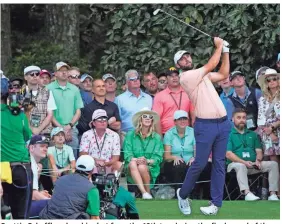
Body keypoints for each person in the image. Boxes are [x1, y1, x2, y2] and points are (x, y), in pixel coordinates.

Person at [174, 37, 230, 215]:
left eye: (188, 57)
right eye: (182, 59)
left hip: (223, 123)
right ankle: (182, 194)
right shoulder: (186, 77)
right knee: (199, 163)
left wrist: (226, 52)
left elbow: (223, 75)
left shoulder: (202, 74)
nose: (186, 59)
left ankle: (215, 204)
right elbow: (212, 64)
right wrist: (219, 46)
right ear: (178, 66)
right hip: (205, 125)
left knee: (220, 163)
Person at [226, 108, 279, 201]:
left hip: (253, 165)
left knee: (273, 164)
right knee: (240, 165)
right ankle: (247, 193)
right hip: (234, 165)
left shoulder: (253, 134)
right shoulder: (228, 134)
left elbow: (259, 151)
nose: (242, 120)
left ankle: (273, 194)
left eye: (244, 117)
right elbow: (229, 154)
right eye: (238, 117)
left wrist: (258, 160)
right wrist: (244, 162)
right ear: (233, 119)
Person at [1, 77, 33, 219]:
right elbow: (27, 136)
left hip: (3, 168)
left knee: (4, 213)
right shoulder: (20, 114)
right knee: (21, 214)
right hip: (20, 167)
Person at [39, 155, 100, 219]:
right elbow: (95, 218)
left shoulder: (60, 179)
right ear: (92, 170)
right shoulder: (92, 189)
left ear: (76, 167)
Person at [163, 110, 211, 191]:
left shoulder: (193, 132)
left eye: (185, 119)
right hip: (173, 164)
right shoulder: (169, 134)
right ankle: (179, 192)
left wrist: (194, 158)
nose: (183, 121)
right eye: (180, 119)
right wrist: (174, 157)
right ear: (175, 122)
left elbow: (197, 151)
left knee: (194, 165)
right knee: (179, 165)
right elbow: (167, 156)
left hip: (189, 161)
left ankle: (193, 193)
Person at [123, 108, 164, 199]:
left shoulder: (157, 137)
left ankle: (146, 193)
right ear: (140, 119)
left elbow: (158, 158)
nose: (148, 118)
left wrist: (147, 161)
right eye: (145, 116)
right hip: (132, 165)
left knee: (142, 166)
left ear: (152, 120)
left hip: (150, 166)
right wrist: (137, 160)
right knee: (134, 163)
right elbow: (127, 155)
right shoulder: (130, 135)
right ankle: (145, 192)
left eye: (150, 117)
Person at [47, 61, 84, 159]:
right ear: (55, 73)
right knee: (55, 159)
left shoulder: (74, 89)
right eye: (60, 70)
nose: (64, 73)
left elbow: (78, 111)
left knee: (72, 159)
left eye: (66, 70)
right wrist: (61, 129)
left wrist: (69, 126)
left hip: (71, 129)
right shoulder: (48, 88)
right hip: (54, 129)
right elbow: (49, 112)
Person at [153, 67, 195, 135]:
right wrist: (160, 139)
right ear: (166, 79)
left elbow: (193, 116)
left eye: (176, 75)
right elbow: (156, 119)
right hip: (167, 134)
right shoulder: (159, 96)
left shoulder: (188, 93)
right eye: (171, 76)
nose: (174, 78)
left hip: (186, 133)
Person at [79, 109, 122, 174]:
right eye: (99, 119)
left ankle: (112, 183)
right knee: (85, 164)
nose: (103, 122)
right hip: (91, 165)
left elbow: (116, 157)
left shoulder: (114, 135)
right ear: (93, 123)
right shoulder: (86, 135)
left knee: (119, 165)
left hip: (108, 165)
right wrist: (95, 161)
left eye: (105, 119)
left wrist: (106, 163)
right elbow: (82, 154)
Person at [115, 70, 153, 137]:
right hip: (126, 136)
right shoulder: (119, 99)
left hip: (147, 136)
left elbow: (153, 118)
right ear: (127, 82)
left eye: (137, 78)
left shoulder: (148, 98)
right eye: (132, 79)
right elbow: (117, 122)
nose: (136, 81)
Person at [23, 65, 57, 136]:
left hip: (45, 131)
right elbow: (21, 114)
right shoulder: (21, 93)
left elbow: (50, 114)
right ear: (25, 77)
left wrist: (38, 129)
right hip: (25, 131)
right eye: (32, 74)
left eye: (37, 74)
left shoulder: (48, 92)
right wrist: (31, 129)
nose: (35, 76)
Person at [256, 69, 280, 163]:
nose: (272, 82)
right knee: (273, 160)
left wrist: (273, 126)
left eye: (274, 79)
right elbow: (260, 119)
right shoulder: (262, 99)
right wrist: (270, 132)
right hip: (268, 132)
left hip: (278, 127)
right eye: (268, 80)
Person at [28, 135, 51, 218]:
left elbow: (30, 193)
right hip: (19, 207)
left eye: (46, 147)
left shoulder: (32, 162)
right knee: (52, 205)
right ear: (32, 148)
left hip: (20, 203)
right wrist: (53, 202)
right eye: (41, 146)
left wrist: (40, 193)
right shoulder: (30, 163)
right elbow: (33, 195)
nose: (45, 149)